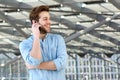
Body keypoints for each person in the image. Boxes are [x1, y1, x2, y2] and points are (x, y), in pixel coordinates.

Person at [19, 5, 68, 80]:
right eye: (45, 19)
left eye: (49, 19)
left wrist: (35, 66)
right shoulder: (24, 44)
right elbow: (35, 61)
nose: (49, 22)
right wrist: (36, 37)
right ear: (35, 22)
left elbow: (62, 63)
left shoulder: (58, 39)